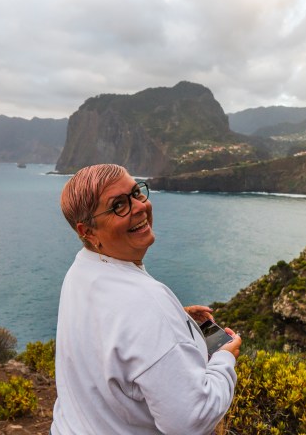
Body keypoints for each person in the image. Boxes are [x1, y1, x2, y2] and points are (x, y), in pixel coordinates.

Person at [51, 163, 241, 435]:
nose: (140, 207)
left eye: (136, 193)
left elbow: (112, 329)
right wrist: (224, 359)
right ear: (88, 231)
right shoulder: (146, 302)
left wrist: (177, 318)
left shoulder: (81, 272)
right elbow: (192, 421)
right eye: (118, 205)